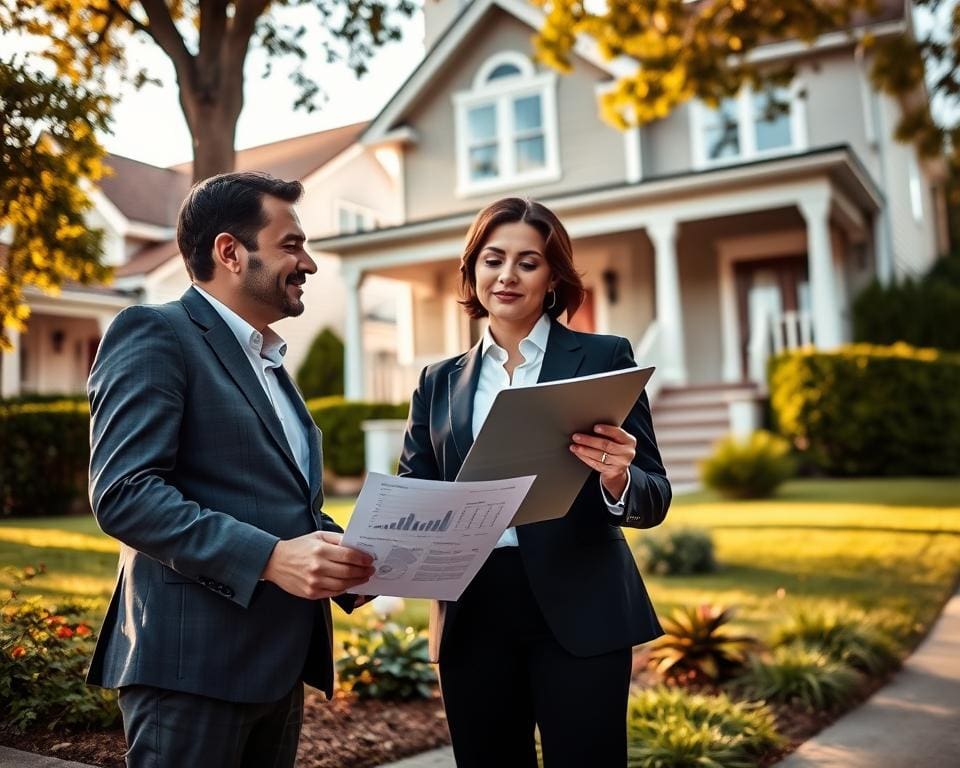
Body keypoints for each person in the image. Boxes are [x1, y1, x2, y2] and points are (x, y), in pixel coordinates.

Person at [86, 172, 375, 767]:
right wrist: (271, 558)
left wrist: (354, 556)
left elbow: (277, 501)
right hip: (192, 668)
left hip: (277, 666)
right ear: (229, 252)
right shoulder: (155, 332)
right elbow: (125, 493)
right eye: (291, 245)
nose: (310, 264)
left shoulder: (267, 360)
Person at [398, 197, 671, 768]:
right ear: (473, 270)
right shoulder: (437, 381)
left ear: (552, 278)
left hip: (580, 605)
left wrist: (620, 476)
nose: (507, 275)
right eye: (493, 259)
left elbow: (654, 494)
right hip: (471, 613)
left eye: (528, 262)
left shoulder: (604, 357)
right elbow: (415, 490)